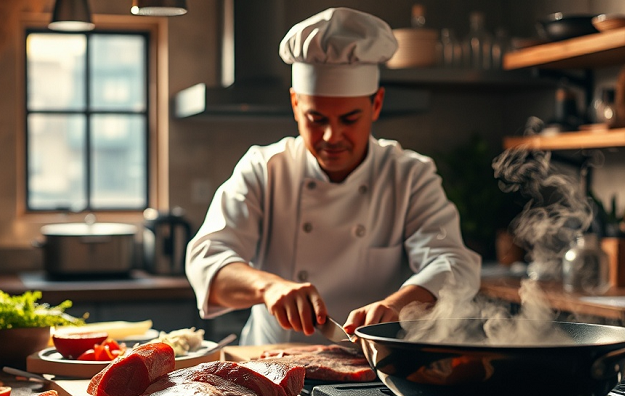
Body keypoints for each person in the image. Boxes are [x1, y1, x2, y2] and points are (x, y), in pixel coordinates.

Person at [185, 7, 481, 346]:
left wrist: (398, 305)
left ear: (377, 105)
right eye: (316, 119)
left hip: (367, 368)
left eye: (350, 119)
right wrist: (269, 287)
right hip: (269, 365)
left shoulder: (409, 175)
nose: (331, 136)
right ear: (296, 105)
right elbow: (207, 259)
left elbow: (454, 262)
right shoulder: (264, 169)